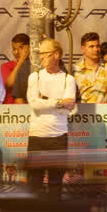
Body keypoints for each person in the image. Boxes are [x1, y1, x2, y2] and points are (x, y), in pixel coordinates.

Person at [26, 39, 77, 202]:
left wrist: (46, 100)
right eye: (39, 53)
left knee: (55, 184)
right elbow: (34, 104)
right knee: (34, 183)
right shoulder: (34, 77)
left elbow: (70, 105)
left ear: (56, 55)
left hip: (58, 136)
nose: (40, 57)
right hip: (37, 135)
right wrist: (58, 102)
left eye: (44, 53)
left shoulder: (68, 79)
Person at [73, 32, 107, 104]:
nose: (96, 49)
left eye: (98, 46)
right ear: (83, 49)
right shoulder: (74, 70)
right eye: (91, 46)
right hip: (82, 113)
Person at [0, 33, 30, 105]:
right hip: (10, 108)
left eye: (21, 48)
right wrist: (21, 61)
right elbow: (10, 84)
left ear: (29, 48)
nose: (16, 52)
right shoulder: (6, 66)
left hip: (30, 107)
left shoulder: (35, 65)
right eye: (14, 49)